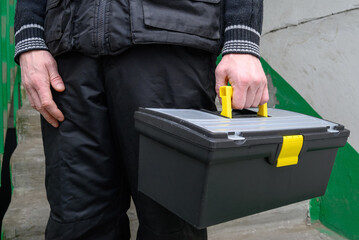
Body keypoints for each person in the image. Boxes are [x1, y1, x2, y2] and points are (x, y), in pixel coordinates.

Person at [14, 0, 268, 239]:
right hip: (69, 52)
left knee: (171, 224)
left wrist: (242, 39)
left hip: (172, 39)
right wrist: (29, 38)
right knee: (76, 221)